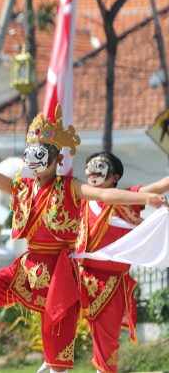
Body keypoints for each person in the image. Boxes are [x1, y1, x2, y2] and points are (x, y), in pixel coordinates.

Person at [0, 109, 166, 372]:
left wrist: (145, 198)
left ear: (57, 158)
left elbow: (105, 196)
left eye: (40, 151)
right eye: (30, 151)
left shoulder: (69, 186)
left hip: (60, 276)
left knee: (57, 362)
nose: (33, 157)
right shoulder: (22, 188)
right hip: (27, 267)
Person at [72, 152, 169, 373]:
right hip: (77, 276)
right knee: (57, 325)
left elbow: (161, 185)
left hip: (110, 285)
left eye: (100, 166)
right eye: (90, 166)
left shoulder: (129, 199)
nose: (93, 171)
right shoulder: (79, 198)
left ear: (115, 176)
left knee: (107, 348)